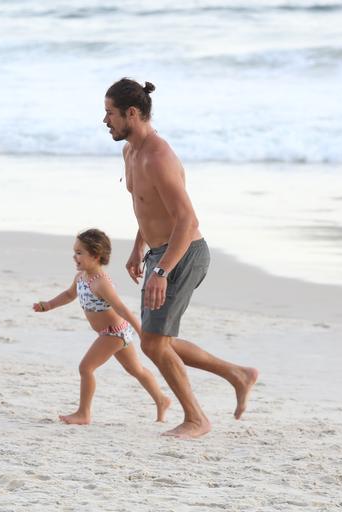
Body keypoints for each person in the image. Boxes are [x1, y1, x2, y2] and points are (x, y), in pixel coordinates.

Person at [103, 78, 259, 439]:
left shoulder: (159, 157)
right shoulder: (130, 152)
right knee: (159, 341)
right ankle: (238, 374)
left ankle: (196, 419)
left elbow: (187, 221)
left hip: (183, 253)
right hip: (160, 253)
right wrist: (139, 245)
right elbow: (148, 206)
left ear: (132, 113)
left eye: (110, 113)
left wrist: (161, 270)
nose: (105, 120)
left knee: (154, 343)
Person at [34, 228, 172, 425]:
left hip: (113, 333)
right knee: (136, 370)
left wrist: (142, 333)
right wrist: (47, 305)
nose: (75, 257)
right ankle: (162, 399)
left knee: (85, 368)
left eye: (80, 253)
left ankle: (84, 413)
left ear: (96, 255)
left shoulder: (101, 283)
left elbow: (122, 309)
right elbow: (68, 295)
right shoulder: (81, 277)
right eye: (75, 252)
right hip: (114, 332)